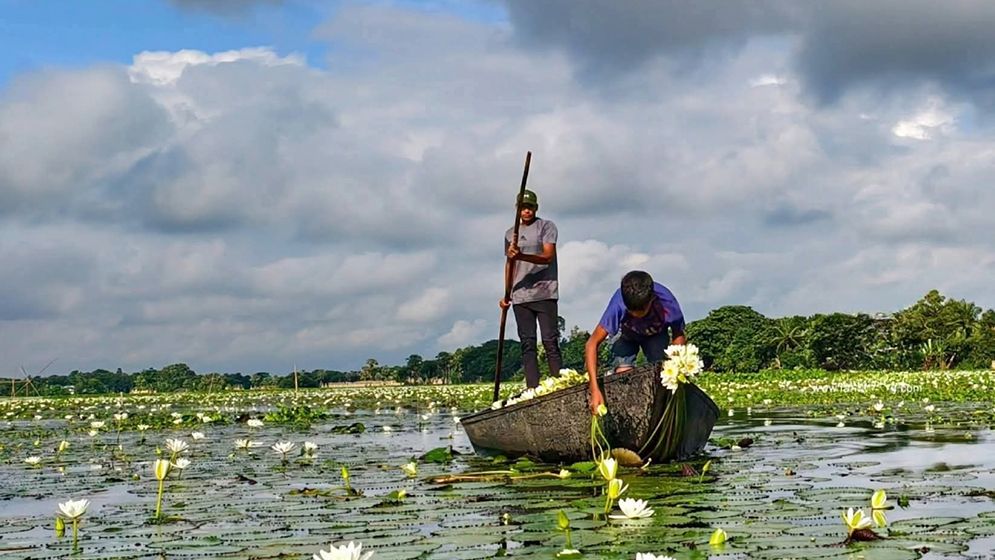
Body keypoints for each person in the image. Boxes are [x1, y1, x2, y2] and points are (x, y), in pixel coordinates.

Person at [585, 270, 686, 414]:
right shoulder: (618, 304)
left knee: (660, 373)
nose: (636, 315)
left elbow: (678, 334)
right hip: (625, 334)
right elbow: (592, 343)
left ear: (652, 299)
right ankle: (630, 412)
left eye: (641, 312)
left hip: (655, 334)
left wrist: (677, 366)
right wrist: (594, 389)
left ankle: (659, 410)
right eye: (631, 311)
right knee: (623, 375)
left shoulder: (668, 304)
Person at [499, 189, 562, 388]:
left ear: (536, 208)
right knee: (527, 344)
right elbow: (509, 265)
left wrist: (520, 256)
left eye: (530, 207)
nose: (527, 211)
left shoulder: (546, 227)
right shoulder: (511, 234)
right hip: (520, 296)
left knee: (550, 341)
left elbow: (547, 256)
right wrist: (506, 295)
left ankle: (559, 384)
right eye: (523, 208)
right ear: (517, 210)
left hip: (544, 292)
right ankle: (532, 388)